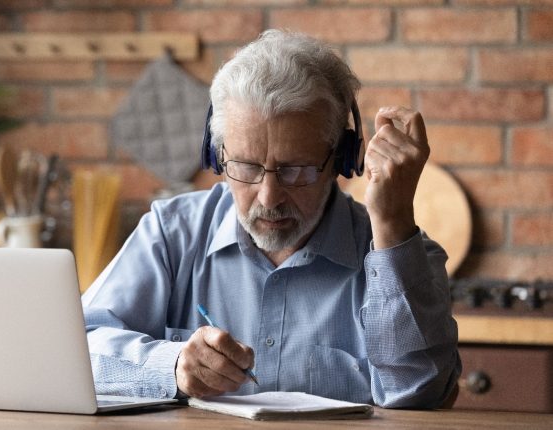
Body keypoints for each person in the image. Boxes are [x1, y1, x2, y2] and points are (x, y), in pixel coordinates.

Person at [82, 29, 461, 409]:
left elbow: (420, 393)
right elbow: (78, 345)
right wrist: (173, 364)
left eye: (296, 169)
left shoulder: (405, 258)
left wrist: (393, 223)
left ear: (343, 161)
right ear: (217, 157)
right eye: (245, 167)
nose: (269, 197)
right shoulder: (172, 234)